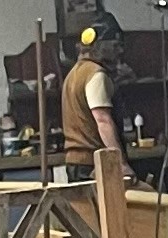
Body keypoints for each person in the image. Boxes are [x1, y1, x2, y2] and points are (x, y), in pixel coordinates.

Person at [61, 12, 127, 178]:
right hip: (92, 163)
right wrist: (121, 164)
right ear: (100, 46)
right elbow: (103, 120)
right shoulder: (96, 74)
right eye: (115, 45)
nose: (120, 51)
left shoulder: (73, 74)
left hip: (75, 162)